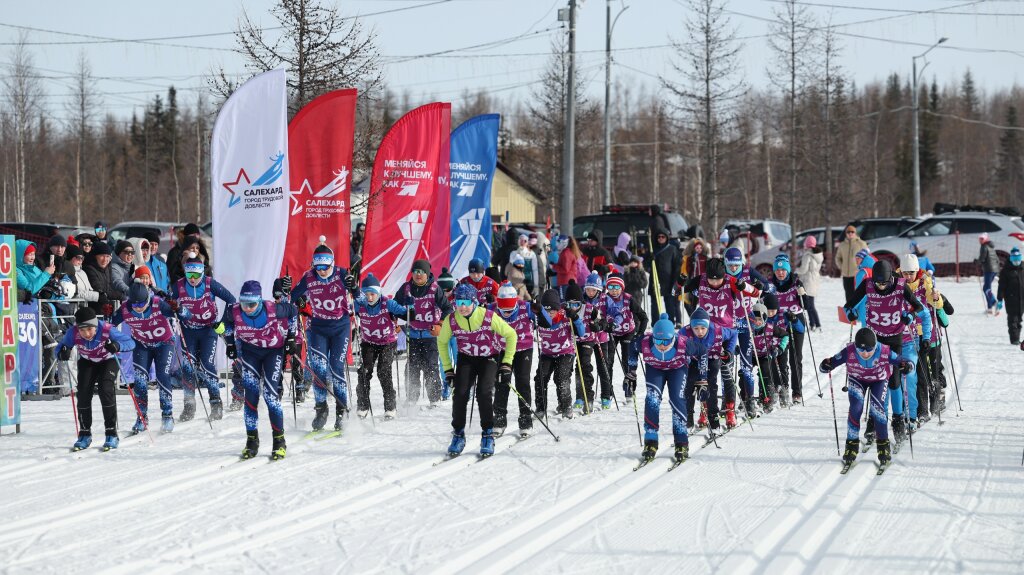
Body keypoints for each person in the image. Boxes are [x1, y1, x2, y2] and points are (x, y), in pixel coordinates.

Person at [844, 259, 923, 443]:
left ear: (891, 279)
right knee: (875, 378)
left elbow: (918, 306)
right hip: (875, 339)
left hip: (895, 338)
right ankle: (873, 420)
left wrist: (910, 315)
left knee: (894, 381)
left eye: (884, 283)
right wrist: (851, 313)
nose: (880, 287)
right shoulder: (868, 284)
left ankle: (898, 421)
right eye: (878, 283)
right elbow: (849, 304)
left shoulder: (900, 286)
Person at [436, 283, 517, 457]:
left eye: (466, 302)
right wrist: (448, 370)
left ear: (474, 302)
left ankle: (487, 433)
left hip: (488, 357)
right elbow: (442, 342)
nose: (462, 307)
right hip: (466, 358)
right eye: (459, 302)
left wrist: (507, 364)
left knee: (483, 393)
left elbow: (511, 335)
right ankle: (458, 434)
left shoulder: (487, 316)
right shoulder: (451, 319)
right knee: (460, 393)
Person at [221, 280, 299, 460]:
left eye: (251, 304)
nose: (247, 308)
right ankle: (251, 440)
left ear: (259, 300)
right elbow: (226, 324)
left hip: (273, 352)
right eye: (244, 304)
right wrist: (231, 343)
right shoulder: (234, 310)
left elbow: (293, 312)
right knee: (251, 396)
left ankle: (279, 441)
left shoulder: (272, 308)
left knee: (270, 396)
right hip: (250, 353)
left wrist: (291, 338)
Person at [680, 257, 761, 421]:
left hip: (725, 332)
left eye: (718, 280)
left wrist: (743, 285)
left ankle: (729, 409)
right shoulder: (701, 280)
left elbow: (756, 293)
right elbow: (679, 290)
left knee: (726, 372)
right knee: (704, 374)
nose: (715, 283)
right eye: (712, 279)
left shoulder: (730, 280)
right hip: (704, 331)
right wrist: (679, 284)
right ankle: (705, 409)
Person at [820, 328, 913, 469]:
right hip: (857, 380)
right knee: (856, 408)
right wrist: (826, 365)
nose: (864, 353)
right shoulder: (849, 351)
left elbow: (904, 362)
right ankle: (851, 446)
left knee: (877, 410)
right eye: (861, 350)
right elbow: (829, 363)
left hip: (879, 381)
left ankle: (883, 447)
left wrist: (906, 366)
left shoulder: (884, 351)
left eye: (869, 350)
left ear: (875, 346)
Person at [287, 240, 354, 433]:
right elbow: (290, 300)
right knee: (318, 369)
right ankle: (321, 409)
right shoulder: (309, 277)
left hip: (340, 328)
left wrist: (354, 287)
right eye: (318, 267)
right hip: (318, 328)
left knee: (336, 368)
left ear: (332, 264)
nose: (322, 271)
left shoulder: (342, 274)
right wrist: (287, 291)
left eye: (325, 267)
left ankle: (342, 411)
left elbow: (359, 297)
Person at [57, 307, 135, 451]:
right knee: (83, 393)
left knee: (105, 390)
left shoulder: (106, 329)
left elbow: (130, 343)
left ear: (95, 326)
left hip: (108, 360)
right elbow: (62, 346)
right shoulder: (73, 332)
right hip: (88, 361)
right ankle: (85, 434)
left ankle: (111, 434)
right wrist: (63, 352)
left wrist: (117, 345)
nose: (86, 334)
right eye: (82, 330)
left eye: (89, 330)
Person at [112, 283, 185, 434]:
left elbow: (186, 315)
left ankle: (167, 415)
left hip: (164, 343)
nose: (138, 307)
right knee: (139, 380)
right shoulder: (126, 308)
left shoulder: (158, 304)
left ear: (148, 298)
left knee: (162, 376)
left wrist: (178, 308)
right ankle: (141, 417)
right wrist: (108, 315)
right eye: (135, 304)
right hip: (142, 345)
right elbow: (110, 325)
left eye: (142, 303)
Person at [171, 256, 235, 421]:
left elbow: (232, 301)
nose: (192, 279)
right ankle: (189, 406)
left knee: (207, 364)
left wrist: (223, 322)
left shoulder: (209, 283)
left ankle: (216, 404)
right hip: (189, 331)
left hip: (208, 330)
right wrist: (173, 315)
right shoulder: (179, 285)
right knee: (187, 366)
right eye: (189, 275)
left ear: (202, 273)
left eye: (196, 275)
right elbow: (168, 304)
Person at [639, 313, 705, 464]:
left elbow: (703, 352)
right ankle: (650, 441)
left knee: (677, 399)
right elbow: (631, 348)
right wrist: (630, 373)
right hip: (655, 369)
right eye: (658, 340)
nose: (662, 344)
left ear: (673, 337)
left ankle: (681, 442)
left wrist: (703, 378)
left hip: (677, 369)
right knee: (652, 399)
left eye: (667, 340)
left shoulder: (684, 343)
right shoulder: (644, 342)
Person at [394, 259, 453, 406]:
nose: (418, 275)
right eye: (415, 271)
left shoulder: (434, 289)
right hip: (413, 334)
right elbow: (394, 305)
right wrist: (393, 321)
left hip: (430, 335)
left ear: (427, 274)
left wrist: (440, 324)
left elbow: (448, 308)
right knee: (412, 367)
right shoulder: (406, 288)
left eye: (421, 272)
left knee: (430, 367)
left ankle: (434, 399)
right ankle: (412, 398)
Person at [351, 273, 406, 420]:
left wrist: (410, 309)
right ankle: (362, 406)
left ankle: (390, 406)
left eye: (372, 294)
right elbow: (347, 311)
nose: (369, 298)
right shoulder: (360, 304)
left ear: (378, 292)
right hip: (368, 342)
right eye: (366, 294)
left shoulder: (387, 303)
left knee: (383, 371)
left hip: (387, 343)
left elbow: (405, 313)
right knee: (364, 372)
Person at [489, 282, 536, 436]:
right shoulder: (492, 309)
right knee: (502, 382)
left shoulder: (525, 307)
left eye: (510, 309)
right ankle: (500, 419)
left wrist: (539, 310)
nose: (507, 313)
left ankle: (525, 420)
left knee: (522, 383)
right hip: (502, 349)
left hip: (523, 349)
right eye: (504, 310)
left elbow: (546, 321)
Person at [532, 288, 585, 420]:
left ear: (557, 309)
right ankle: (540, 408)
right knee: (540, 378)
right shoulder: (539, 318)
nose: (549, 314)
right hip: (547, 353)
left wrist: (576, 317)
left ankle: (566, 407)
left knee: (561, 378)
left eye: (552, 311)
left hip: (565, 353)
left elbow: (581, 333)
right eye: (546, 311)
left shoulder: (565, 316)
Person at [897, 255, 934, 434]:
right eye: (905, 273)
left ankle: (917, 412)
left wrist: (926, 338)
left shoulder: (924, 282)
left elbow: (926, 311)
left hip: (913, 338)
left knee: (914, 377)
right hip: (894, 340)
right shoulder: (894, 285)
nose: (908, 276)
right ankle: (899, 413)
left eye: (911, 273)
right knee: (894, 380)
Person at [681, 307, 735, 431]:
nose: (699, 332)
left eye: (703, 328)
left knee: (710, 384)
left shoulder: (717, 330)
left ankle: (713, 420)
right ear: (691, 326)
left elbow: (734, 334)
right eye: (696, 328)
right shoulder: (684, 332)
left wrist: (729, 352)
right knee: (689, 384)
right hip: (694, 360)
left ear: (708, 325)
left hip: (712, 359)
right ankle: (688, 420)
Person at [603, 273, 649, 400]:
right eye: (610, 287)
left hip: (628, 332)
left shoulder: (628, 299)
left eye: (616, 287)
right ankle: (608, 392)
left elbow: (643, 317)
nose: (613, 290)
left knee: (627, 360)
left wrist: (639, 334)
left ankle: (629, 388)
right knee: (608, 361)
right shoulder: (604, 299)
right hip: (612, 332)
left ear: (621, 288)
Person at [571, 276, 613, 412]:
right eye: (588, 289)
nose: (590, 292)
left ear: (598, 290)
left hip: (601, 338)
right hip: (585, 339)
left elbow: (607, 319)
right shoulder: (581, 300)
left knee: (603, 367)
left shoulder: (605, 300)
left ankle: (606, 396)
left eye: (593, 289)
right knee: (582, 365)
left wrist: (600, 326)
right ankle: (580, 396)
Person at [769, 254, 806, 404]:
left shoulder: (796, 282)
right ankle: (781, 387)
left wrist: (803, 294)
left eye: (783, 269)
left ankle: (797, 392)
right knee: (779, 357)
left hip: (795, 321)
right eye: (778, 270)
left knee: (795, 358)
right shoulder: (770, 284)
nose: (780, 272)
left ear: (788, 270)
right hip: (778, 323)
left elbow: (806, 306)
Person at [750, 300, 787, 413]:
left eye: (760, 319)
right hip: (751, 355)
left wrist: (780, 348)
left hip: (765, 354)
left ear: (765, 319)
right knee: (744, 373)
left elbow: (786, 335)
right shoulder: (748, 327)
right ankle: (747, 399)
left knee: (766, 373)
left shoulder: (771, 327)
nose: (757, 322)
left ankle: (766, 399)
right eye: (755, 320)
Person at [647, 228, 683, 326]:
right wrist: (649, 259)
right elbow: (646, 266)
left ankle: (670, 322)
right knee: (655, 304)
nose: (661, 238)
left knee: (670, 304)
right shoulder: (653, 250)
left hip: (669, 281)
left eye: (663, 237)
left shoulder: (672, 249)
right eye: (659, 237)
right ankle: (655, 322)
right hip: (655, 280)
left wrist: (675, 280)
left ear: (667, 238)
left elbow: (677, 266)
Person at [83, 241, 123, 316]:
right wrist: (120, 295)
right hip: (93, 310)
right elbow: (99, 290)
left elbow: (109, 288)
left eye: (107, 256)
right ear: (95, 256)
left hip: (106, 309)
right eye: (102, 256)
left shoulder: (107, 268)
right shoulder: (89, 269)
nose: (105, 260)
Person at [794, 235, 824, 331]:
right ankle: (815, 324)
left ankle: (815, 324)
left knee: (809, 305)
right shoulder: (818, 254)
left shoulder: (808, 255)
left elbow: (803, 269)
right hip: (814, 279)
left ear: (806, 244)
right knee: (811, 304)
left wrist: (796, 271)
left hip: (808, 280)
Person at [997, 247, 1024, 344]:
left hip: (1022, 300)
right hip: (1011, 300)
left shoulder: (1022, 268)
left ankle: (1017, 337)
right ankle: (1014, 339)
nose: (1016, 261)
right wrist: (1000, 299)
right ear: (1010, 259)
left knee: (1019, 320)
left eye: (1018, 258)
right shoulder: (1005, 271)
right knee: (1013, 320)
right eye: (1014, 259)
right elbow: (1001, 287)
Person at [835, 225, 869, 302]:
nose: (850, 234)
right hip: (846, 275)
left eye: (852, 232)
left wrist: (861, 269)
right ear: (846, 233)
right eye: (848, 232)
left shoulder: (861, 243)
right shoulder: (842, 245)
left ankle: (857, 312)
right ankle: (849, 312)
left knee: (857, 295)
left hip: (857, 275)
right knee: (848, 295)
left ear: (855, 233)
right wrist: (841, 267)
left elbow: (867, 258)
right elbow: (837, 258)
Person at [977, 232, 1001, 315]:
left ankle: (994, 303)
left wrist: (977, 262)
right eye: (980, 239)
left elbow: (982, 258)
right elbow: (997, 259)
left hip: (989, 270)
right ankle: (990, 308)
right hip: (994, 270)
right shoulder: (991, 246)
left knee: (986, 289)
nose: (980, 240)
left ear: (986, 239)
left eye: (982, 239)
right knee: (987, 288)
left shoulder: (984, 246)